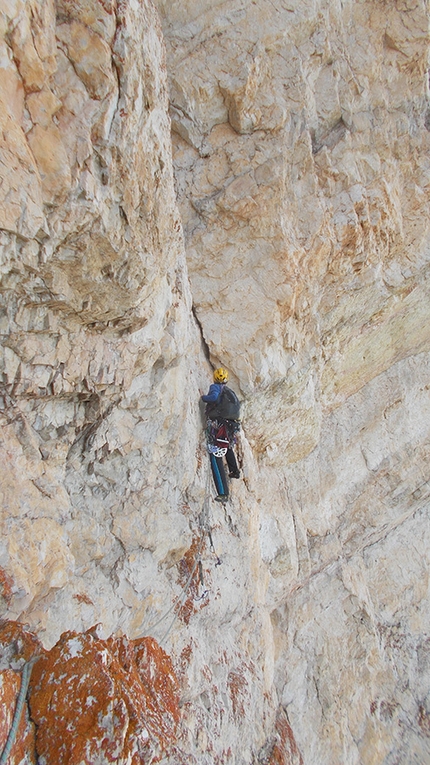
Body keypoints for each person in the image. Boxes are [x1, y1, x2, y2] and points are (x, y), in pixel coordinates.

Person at [201, 367, 241, 502]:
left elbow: (213, 397)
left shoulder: (215, 387)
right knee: (227, 446)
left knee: (215, 458)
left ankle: (223, 493)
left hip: (218, 425)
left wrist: (203, 398)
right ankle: (234, 470)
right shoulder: (230, 392)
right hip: (229, 426)